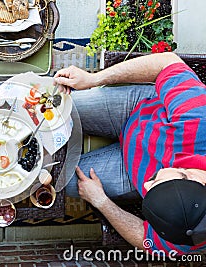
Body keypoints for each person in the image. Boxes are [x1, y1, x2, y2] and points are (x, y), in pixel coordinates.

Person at [54, 52, 206, 255]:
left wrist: (102, 202)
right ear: (193, 177)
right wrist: (94, 79)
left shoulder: (191, 233)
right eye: (156, 182)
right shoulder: (199, 119)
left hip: (128, 171)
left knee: (59, 182)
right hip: (137, 111)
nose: (145, 185)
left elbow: (146, 240)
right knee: (57, 106)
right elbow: (167, 63)